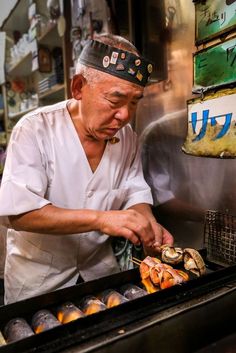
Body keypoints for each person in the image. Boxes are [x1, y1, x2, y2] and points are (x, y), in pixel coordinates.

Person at [0, 33, 173, 304]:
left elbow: (134, 192)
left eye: (134, 102)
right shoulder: (35, 130)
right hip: (39, 284)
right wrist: (103, 219)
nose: (125, 115)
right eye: (115, 101)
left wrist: (147, 223)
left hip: (100, 277)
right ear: (78, 87)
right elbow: (20, 213)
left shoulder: (127, 138)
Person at [141, 109, 236, 249]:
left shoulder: (227, 130)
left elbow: (230, 182)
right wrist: (216, 218)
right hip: (172, 238)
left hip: (214, 239)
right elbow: (163, 200)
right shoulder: (160, 131)